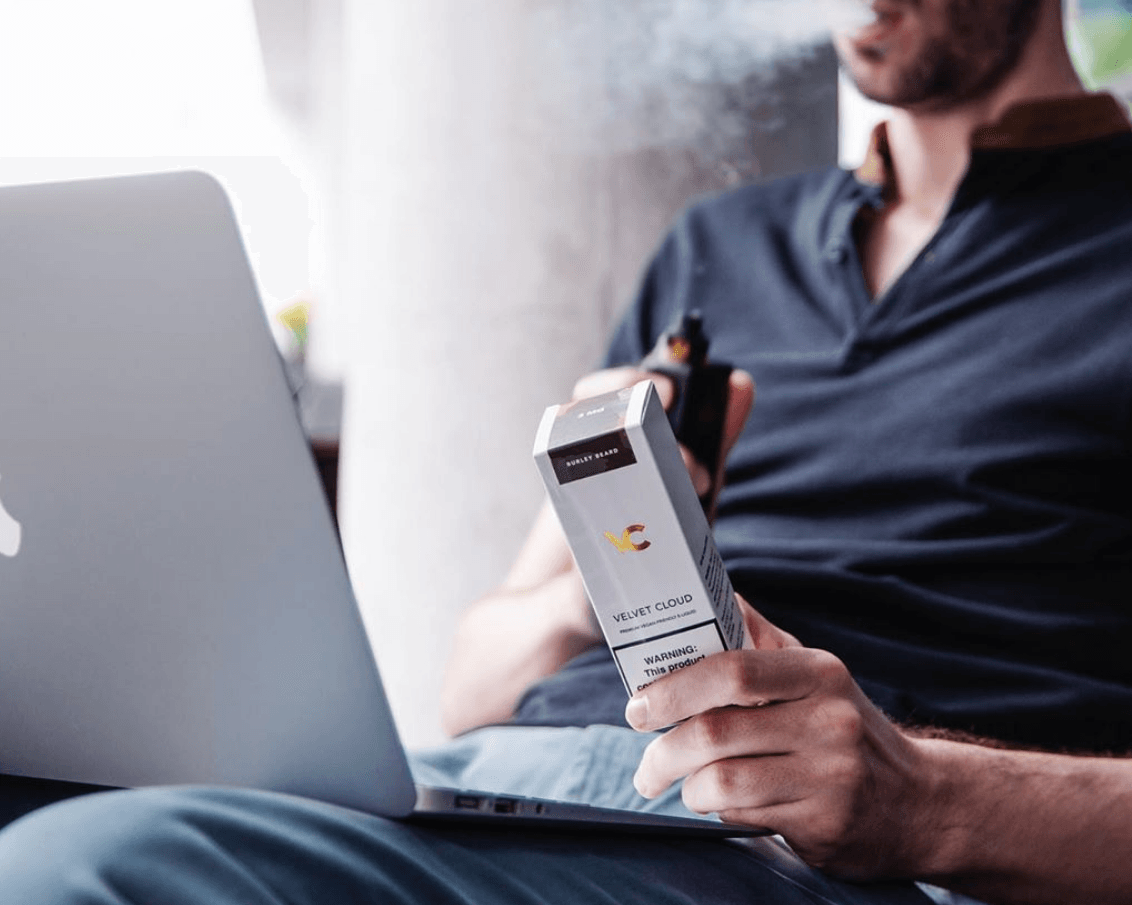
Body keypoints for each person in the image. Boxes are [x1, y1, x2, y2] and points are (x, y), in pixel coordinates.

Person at [2, 0, 1131, 902]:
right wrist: (620, 554)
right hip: (512, 793)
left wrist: (922, 799)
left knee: (96, 866)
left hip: (811, 847)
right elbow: (474, 683)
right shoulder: (717, 247)